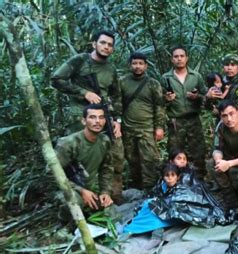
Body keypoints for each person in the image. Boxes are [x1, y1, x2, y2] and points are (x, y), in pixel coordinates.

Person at [51, 30, 124, 202]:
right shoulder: (80, 61)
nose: (106, 47)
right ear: (94, 44)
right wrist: (83, 93)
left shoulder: (111, 69)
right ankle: (79, 196)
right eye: (103, 43)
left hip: (104, 116)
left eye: (110, 45)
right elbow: (56, 79)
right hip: (80, 117)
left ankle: (110, 196)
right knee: (79, 158)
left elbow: (117, 96)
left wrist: (117, 120)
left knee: (113, 155)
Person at [120, 52, 166, 191]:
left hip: (147, 128)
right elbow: (117, 104)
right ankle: (136, 187)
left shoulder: (153, 84)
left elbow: (159, 106)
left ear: (146, 66)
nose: (137, 66)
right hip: (128, 128)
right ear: (130, 65)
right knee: (132, 160)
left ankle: (150, 189)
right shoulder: (122, 82)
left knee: (149, 160)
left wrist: (159, 127)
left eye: (140, 63)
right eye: (134, 63)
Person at [161, 46, 208, 179]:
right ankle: (176, 180)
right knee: (175, 151)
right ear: (172, 59)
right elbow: (160, 101)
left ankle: (199, 181)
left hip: (194, 119)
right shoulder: (166, 78)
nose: (179, 59)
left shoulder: (196, 76)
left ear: (187, 58)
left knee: (198, 151)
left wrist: (196, 97)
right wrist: (167, 99)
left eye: (182, 56)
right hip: (176, 121)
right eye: (176, 56)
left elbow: (206, 96)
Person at [55, 104, 114, 211]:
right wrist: (81, 191)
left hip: (89, 187)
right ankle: (65, 221)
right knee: (75, 204)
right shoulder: (69, 144)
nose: (97, 121)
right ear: (83, 121)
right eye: (92, 117)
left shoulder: (104, 141)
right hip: (66, 188)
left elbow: (106, 169)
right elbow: (52, 174)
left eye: (101, 117)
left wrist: (105, 192)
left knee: (110, 209)